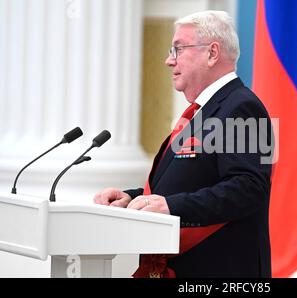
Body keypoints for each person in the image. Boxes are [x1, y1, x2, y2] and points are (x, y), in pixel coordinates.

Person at [94, 10, 273, 278]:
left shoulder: (242, 106)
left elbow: (248, 188)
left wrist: (171, 206)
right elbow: (192, 180)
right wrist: (133, 197)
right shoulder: (206, 110)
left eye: (178, 49)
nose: (169, 60)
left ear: (212, 53)